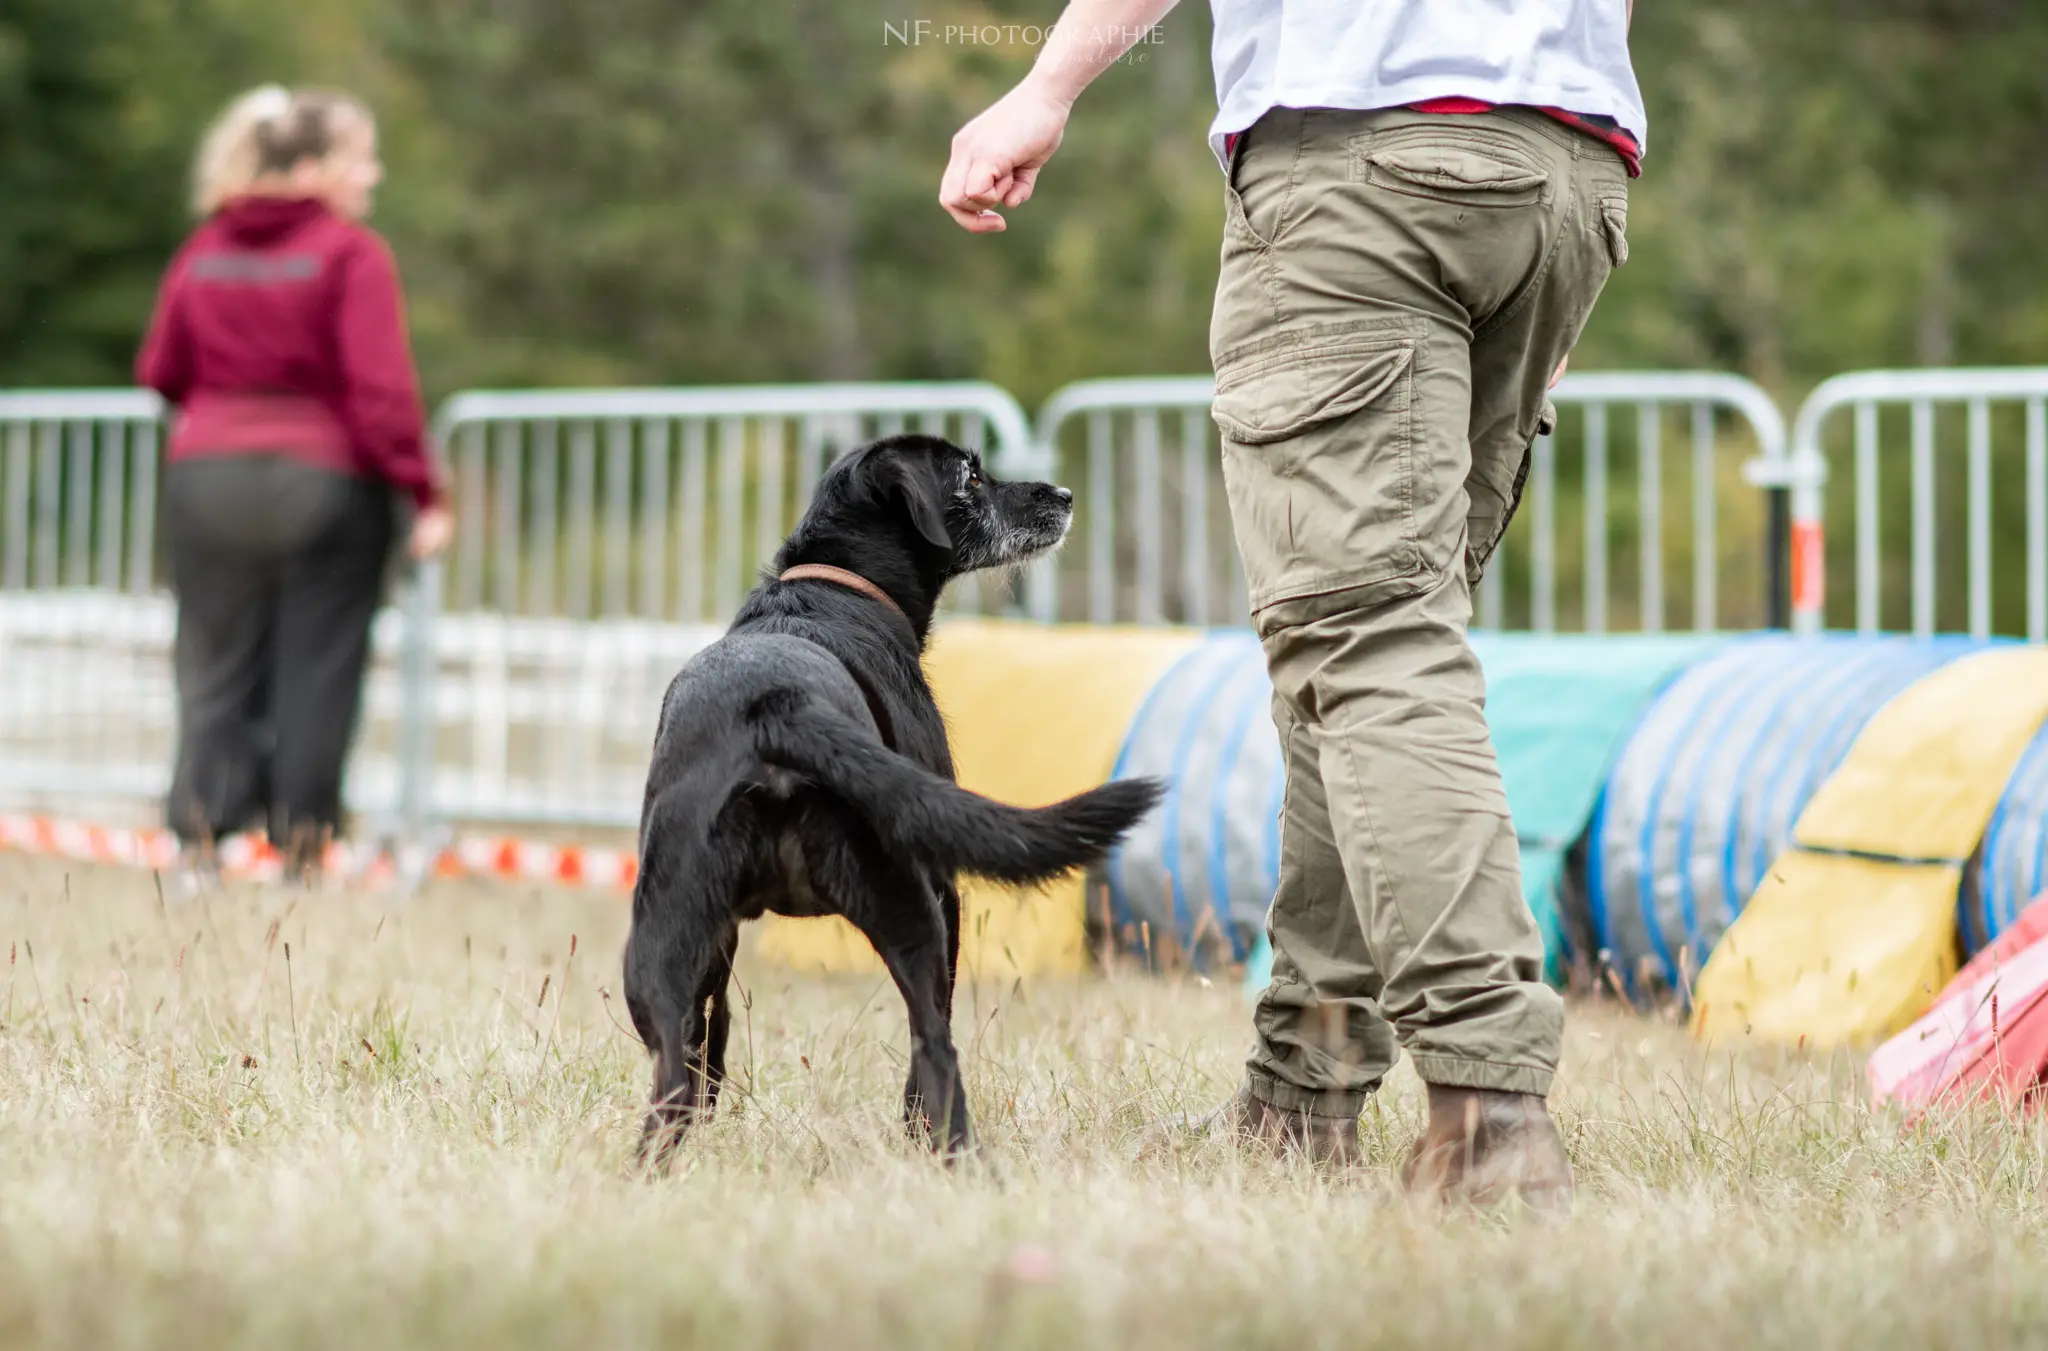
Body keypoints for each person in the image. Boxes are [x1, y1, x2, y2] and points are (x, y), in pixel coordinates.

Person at [941, 2, 1644, 1207]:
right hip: (1565, 168)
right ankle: (1297, 1098)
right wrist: (1544, 213)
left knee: (1369, 647)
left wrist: (1042, 88)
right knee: (1362, 661)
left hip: (1357, 157)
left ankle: (1489, 1111)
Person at [136, 85, 452, 886]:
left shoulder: (203, 249)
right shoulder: (349, 252)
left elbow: (160, 370)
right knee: (318, 666)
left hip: (205, 479)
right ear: (310, 167)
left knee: (212, 664)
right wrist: (424, 491)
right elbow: (380, 392)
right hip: (323, 485)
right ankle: (302, 852)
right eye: (360, 159)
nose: (371, 176)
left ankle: (200, 848)